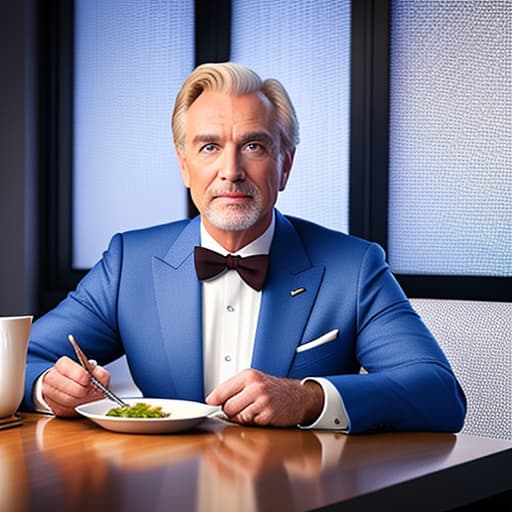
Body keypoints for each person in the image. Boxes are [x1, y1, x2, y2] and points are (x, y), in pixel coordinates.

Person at [22, 62, 466, 433]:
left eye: (253, 146)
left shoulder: (354, 267)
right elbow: (22, 360)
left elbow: (439, 394)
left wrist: (309, 398)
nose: (230, 170)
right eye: (209, 147)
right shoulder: (128, 262)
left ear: (285, 165)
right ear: (184, 165)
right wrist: (48, 386)